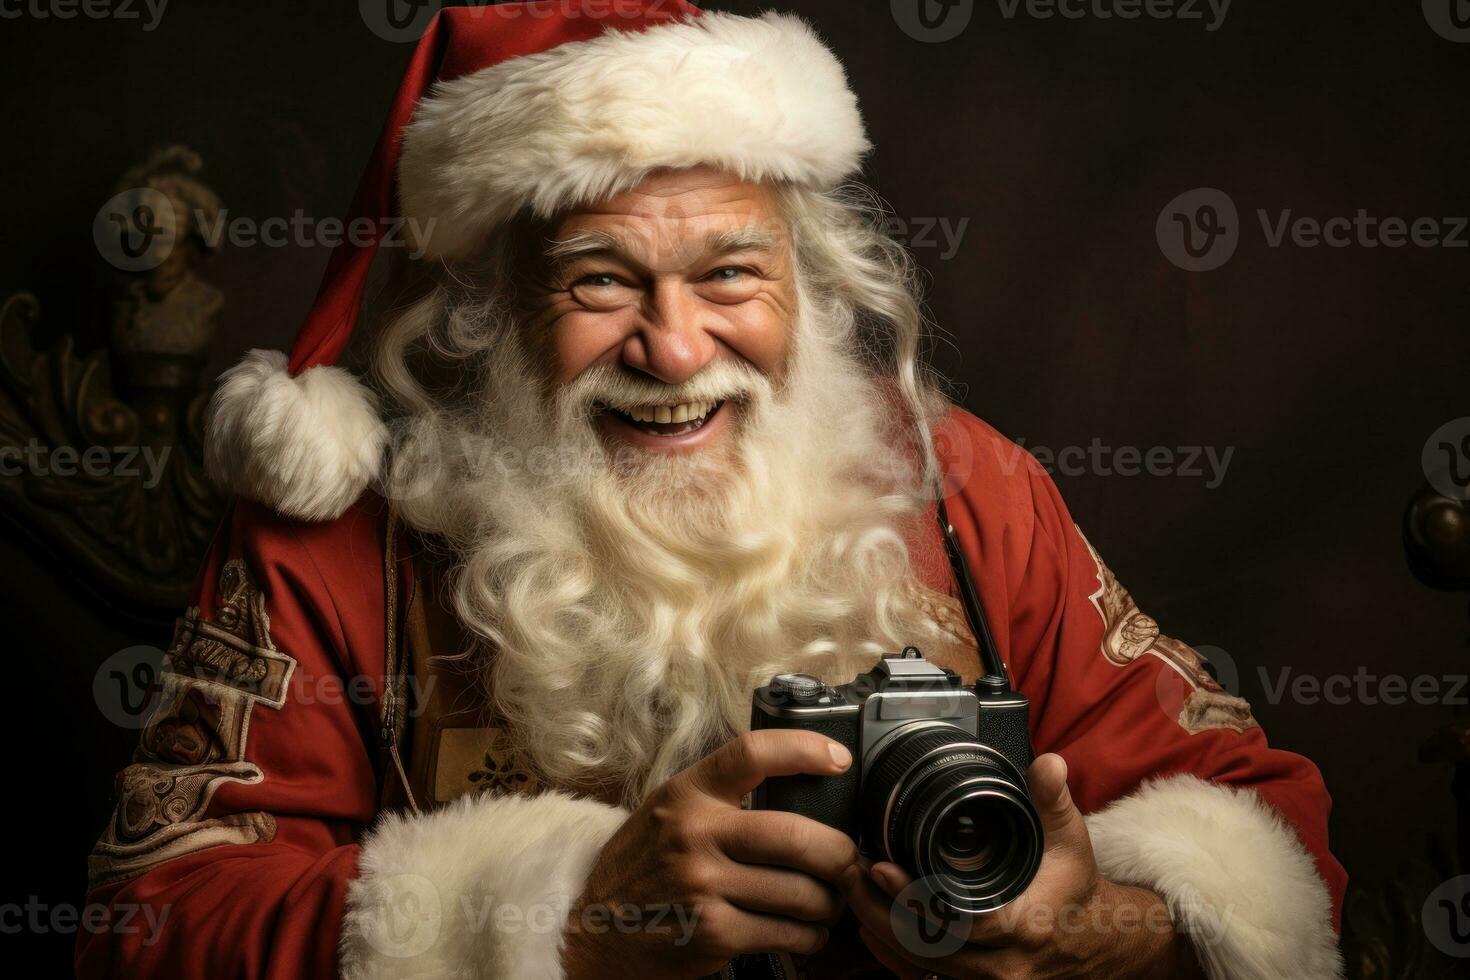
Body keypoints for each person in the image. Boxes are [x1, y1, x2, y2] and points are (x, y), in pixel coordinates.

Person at [78, 5, 1346, 979]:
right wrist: (556, 921)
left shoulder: (962, 488)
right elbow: (152, 918)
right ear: (491, 312)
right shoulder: (337, 543)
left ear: (815, 277)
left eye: (731, 272)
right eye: (599, 282)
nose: (675, 350)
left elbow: (1264, 823)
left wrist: (1100, 928)